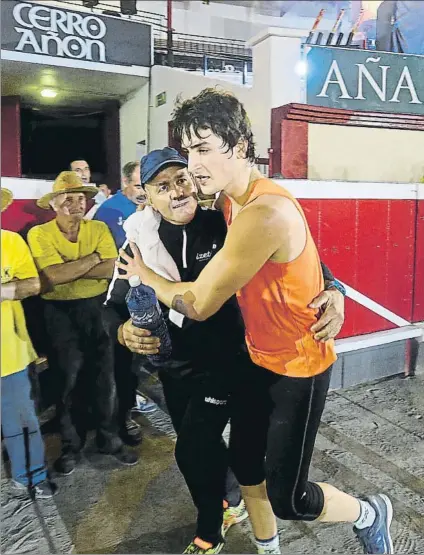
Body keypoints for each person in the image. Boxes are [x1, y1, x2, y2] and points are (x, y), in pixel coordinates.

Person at [117, 90, 393, 555]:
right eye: (189, 152)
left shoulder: (262, 211)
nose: (193, 166)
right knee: (246, 468)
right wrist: (336, 288)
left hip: (296, 368)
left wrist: (146, 277)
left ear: (241, 147)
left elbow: (200, 303)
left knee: (289, 498)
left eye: (203, 149)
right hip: (252, 360)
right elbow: (302, 253)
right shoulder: (225, 203)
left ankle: (370, 513)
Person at [27, 172, 138, 475]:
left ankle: (109, 438)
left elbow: (111, 268)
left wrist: (72, 268)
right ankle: (70, 446)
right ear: (53, 204)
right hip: (58, 314)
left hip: (97, 308)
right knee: (67, 380)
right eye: (68, 199)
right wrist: (91, 259)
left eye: (80, 198)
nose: (76, 204)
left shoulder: (99, 227)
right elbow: (52, 277)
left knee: (106, 376)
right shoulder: (39, 234)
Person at [1, 188, 58, 499]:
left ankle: (31, 475)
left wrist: (3, 291)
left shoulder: (9, 242)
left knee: (22, 418)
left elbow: (34, 284)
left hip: (9, 352)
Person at [95, 161, 157, 423]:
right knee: (121, 359)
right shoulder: (110, 210)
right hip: (119, 293)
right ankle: (121, 416)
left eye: (147, 185)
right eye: (137, 185)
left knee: (137, 359)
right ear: (124, 184)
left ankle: (130, 401)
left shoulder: (150, 210)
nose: (143, 191)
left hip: (147, 293)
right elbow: (112, 258)